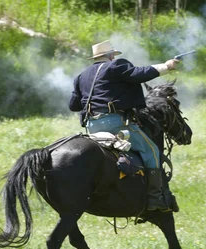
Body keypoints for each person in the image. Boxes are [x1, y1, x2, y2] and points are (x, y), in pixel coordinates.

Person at [69, 40, 180, 211]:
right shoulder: (116, 66)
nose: (114, 56)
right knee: (151, 150)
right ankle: (155, 197)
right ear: (111, 55)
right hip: (115, 124)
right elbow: (139, 74)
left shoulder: (81, 77)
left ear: (96, 57)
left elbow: (74, 106)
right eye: (113, 54)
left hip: (91, 127)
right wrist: (167, 66)